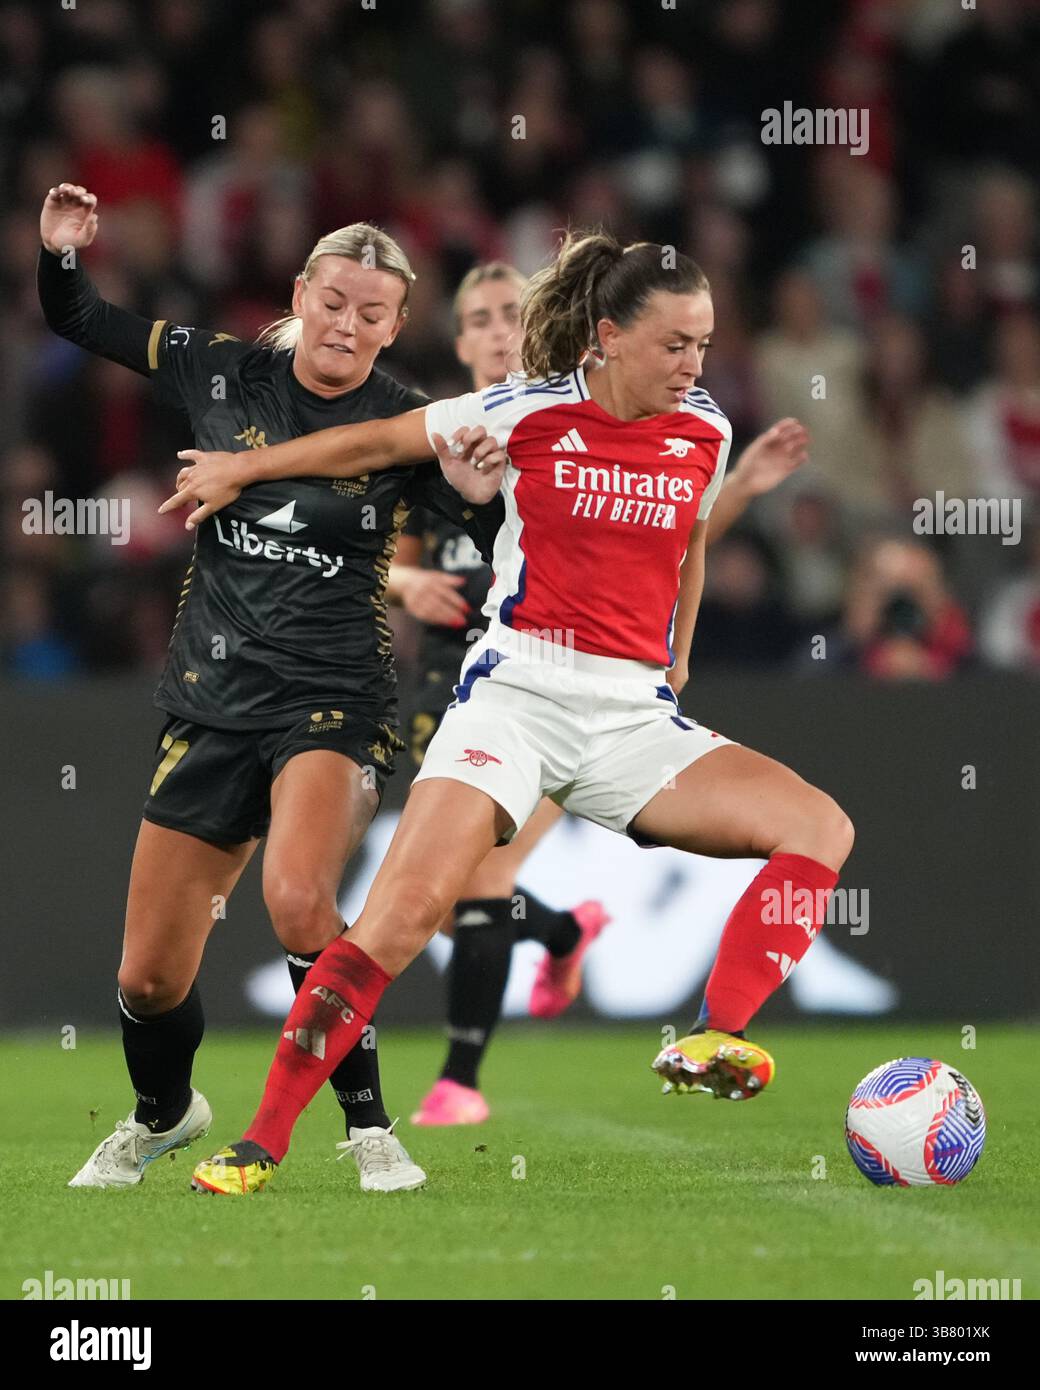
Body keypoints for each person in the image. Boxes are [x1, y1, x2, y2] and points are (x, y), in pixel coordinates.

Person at [161, 229, 848, 1197]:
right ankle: (259, 1143)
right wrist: (246, 469)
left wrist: (680, 648)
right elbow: (373, 442)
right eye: (674, 343)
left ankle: (716, 1035)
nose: (694, 364)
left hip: (630, 715)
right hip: (515, 699)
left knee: (819, 825)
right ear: (606, 336)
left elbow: (689, 538)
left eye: (701, 342)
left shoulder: (703, 429)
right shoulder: (524, 410)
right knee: (395, 923)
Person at [39, 183, 501, 1192]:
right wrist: (64, 253)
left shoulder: (406, 423)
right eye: (333, 301)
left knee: (300, 898)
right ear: (300, 291)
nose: (347, 324)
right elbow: (79, 319)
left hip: (333, 694)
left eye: (372, 313)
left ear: (395, 324)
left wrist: (483, 496)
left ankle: (368, 1128)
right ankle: (164, 1112)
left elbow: (490, 542)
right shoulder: (219, 369)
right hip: (211, 695)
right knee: (148, 977)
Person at [394, 261, 814, 1125]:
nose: (499, 328)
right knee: (438, 902)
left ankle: (460, 1080)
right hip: (458, 684)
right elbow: (379, 559)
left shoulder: (579, 420)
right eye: (479, 317)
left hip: (577, 690)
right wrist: (403, 591)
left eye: (514, 311)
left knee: (477, 885)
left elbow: (662, 539)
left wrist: (737, 494)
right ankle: (560, 931)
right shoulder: (454, 446)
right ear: (462, 338)